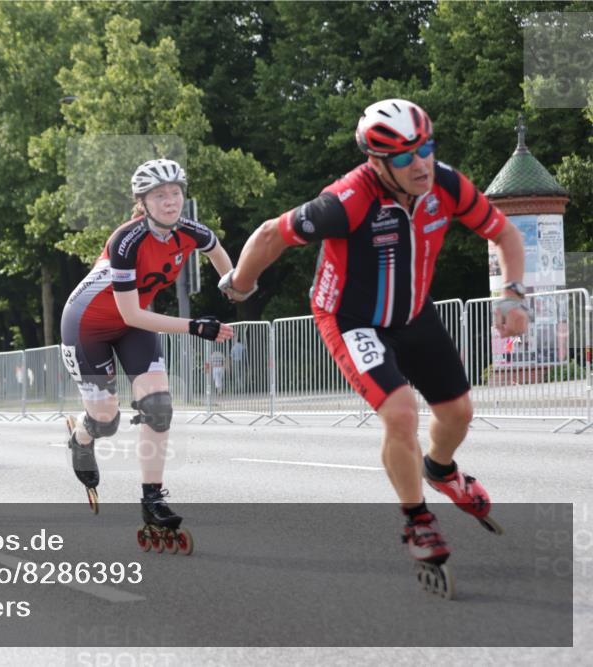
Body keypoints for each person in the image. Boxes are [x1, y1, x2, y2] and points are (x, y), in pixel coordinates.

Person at [220, 99, 529, 596]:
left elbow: (505, 235)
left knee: (459, 414)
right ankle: (417, 519)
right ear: (377, 163)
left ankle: (441, 470)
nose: (421, 163)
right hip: (351, 318)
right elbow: (270, 235)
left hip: (412, 312)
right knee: (401, 412)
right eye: (405, 157)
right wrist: (239, 283)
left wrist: (513, 295)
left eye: (426, 147)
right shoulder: (348, 200)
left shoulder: (446, 185)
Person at [59, 158, 234, 553]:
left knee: (158, 406)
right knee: (107, 419)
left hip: (133, 325)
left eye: (176, 192)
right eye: (160, 195)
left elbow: (218, 252)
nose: (171, 201)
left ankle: (152, 498)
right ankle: (81, 438)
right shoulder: (126, 240)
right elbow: (131, 313)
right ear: (143, 201)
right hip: (88, 326)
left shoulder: (190, 230)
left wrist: (233, 285)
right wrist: (195, 327)